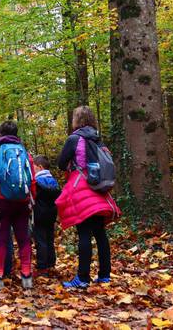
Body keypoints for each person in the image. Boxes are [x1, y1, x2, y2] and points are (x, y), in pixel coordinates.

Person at [56, 106, 121, 288]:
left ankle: (83, 278)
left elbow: (61, 164)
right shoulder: (98, 139)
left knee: (84, 232)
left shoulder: (74, 139)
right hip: (99, 190)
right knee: (100, 233)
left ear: (76, 120)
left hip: (82, 188)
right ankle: (104, 275)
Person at [0, 120, 36, 290]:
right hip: (22, 202)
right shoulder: (25, 153)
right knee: (23, 239)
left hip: (0, 202)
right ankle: (27, 276)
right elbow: (32, 179)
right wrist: (32, 200)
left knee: (0, 239)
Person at [32, 155, 61, 276]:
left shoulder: (37, 182)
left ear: (40, 167)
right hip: (51, 214)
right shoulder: (53, 181)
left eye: (34, 168)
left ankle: (42, 266)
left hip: (39, 214)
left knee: (40, 241)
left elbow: (34, 196)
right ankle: (51, 263)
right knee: (50, 239)